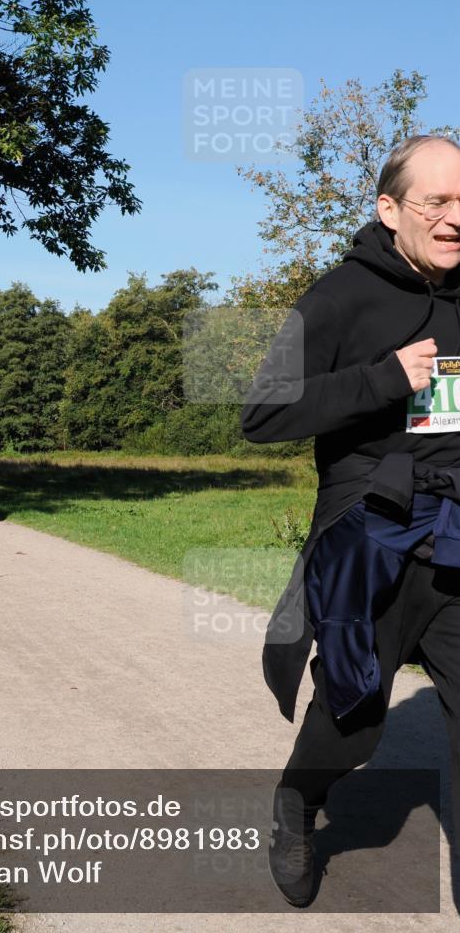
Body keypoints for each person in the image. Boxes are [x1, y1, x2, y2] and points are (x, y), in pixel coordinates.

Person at [241, 135, 460, 908]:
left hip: (458, 536)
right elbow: (262, 413)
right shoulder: (340, 296)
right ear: (389, 208)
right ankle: (299, 801)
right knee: (353, 718)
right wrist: (381, 380)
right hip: (372, 537)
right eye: (436, 202)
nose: (454, 218)